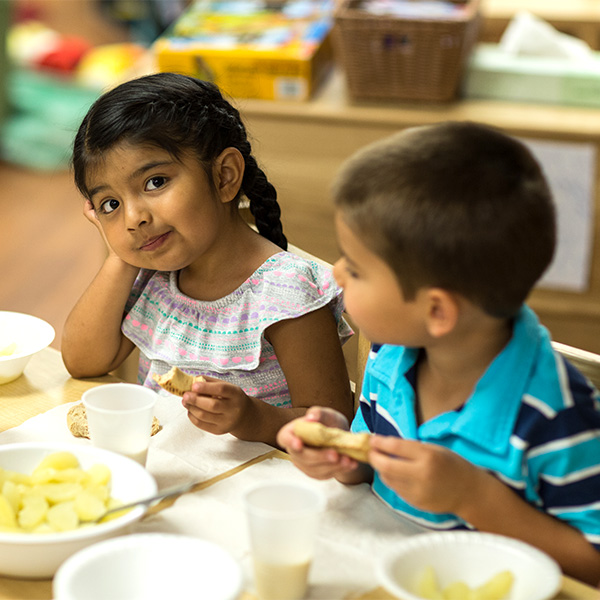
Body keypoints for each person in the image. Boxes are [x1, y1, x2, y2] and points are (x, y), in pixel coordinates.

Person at [277, 122, 600, 585]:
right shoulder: (391, 354)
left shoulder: (556, 415)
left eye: (357, 267)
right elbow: (375, 472)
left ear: (437, 311)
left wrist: (473, 498)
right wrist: (346, 455)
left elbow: (594, 563)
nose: (337, 273)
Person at [62, 72, 353, 447]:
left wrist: (254, 419)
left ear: (224, 176)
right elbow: (83, 361)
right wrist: (123, 254)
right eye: (110, 204)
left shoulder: (285, 292)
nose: (134, 218)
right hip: (169, 480)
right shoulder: (154, 277)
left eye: (155, 182)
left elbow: (333, 428)